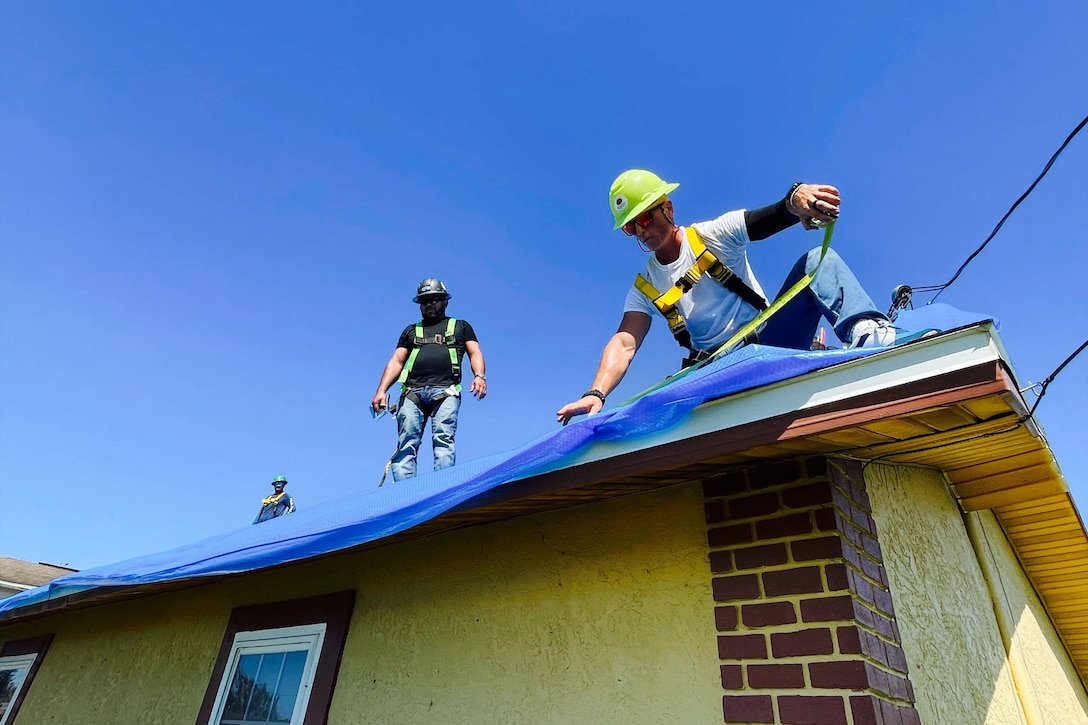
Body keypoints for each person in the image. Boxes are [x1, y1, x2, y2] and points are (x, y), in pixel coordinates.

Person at [557, 169, 895, 425]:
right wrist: (595, 393)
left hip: (769, 343)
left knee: (817, 262)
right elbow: (625, 342)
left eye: (645, 217)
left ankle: (869, 335)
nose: (642, 230)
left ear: (668, 208)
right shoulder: (645, 285)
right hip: (716, 369)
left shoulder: (714, 234)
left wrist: (798, 198)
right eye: (632, 227)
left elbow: (776, 214)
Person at [372, 278, 487, 481]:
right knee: (406, 444)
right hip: (412, 393)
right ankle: (404, 495)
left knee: (443, 439)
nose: (429, 305)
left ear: (445, 302)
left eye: (434, 300)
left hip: (446, 391)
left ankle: (440, 489)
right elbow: (396, 361)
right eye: (424, 301)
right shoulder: (411, 331)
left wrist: (479, 376)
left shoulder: (460, 326)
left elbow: (475, 352)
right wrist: (381, 391)